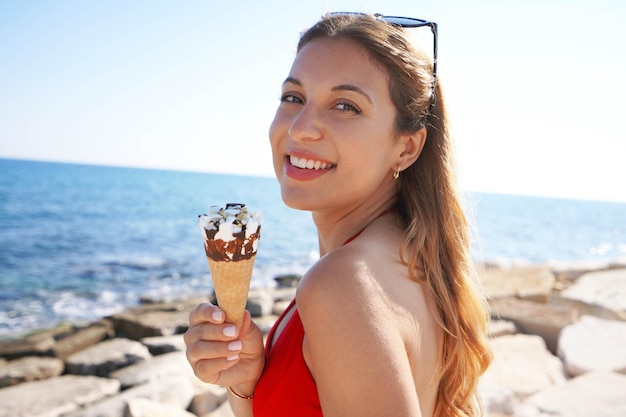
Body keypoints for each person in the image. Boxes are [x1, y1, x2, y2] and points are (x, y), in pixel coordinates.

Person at [184, 12, 492, 417]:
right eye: (293, 98)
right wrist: (248, 383)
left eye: (345, 106)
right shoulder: (411, 258)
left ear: (407, 147)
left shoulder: (342, 284)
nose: (300, 128)